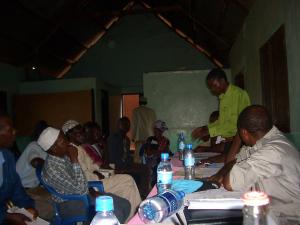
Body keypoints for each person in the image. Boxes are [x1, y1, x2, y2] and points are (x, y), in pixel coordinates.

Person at [38, 127, 131, 223]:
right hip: (69, 204)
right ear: (54, 148)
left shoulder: (63, 156)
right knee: (116, 212)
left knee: (125, 204)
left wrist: (90, 190)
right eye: (63, 141)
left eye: (65, 138)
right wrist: (75, 160)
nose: (68, 142)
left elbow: (81, 181)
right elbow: (81, 190)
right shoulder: (52, 170)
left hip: (83, 195)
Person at [213, 105, 300, 206]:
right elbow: (232, 162)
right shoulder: (261, 142)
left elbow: (229, 183)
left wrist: (239, 136)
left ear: (244, 132)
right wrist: (221, 173)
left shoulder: (272, 150)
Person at [62, 120, 141, 219]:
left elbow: (93, 166)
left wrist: (98, 171)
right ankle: (137, 216)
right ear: (70, 135)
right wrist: (97, 174)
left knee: (127, 187)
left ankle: (131, 218)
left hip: (96, 178)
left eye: (82, 132)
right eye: (79, 133)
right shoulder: (72, 151)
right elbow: (82, 175)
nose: (82, 135)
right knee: (128, 179)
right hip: (92, 185)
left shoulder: (79, 148)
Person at [192, 68, 250, 165]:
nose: (213, 90)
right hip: (228, 143)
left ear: (222, 81)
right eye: (210, 87)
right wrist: (205, 128)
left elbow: (242, 124)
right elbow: (222, 122)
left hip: (238, 144)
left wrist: (209, 131)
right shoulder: (222, 98)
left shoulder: (240, 94)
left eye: (214, 86)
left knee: (232, 171)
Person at [0, 112, 38, 225]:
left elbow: (17, 190)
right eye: (10, 130)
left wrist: (28, 207)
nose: (15, 132)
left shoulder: (7, 157)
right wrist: (7, 216)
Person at [16, 120, 52, 220]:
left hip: (35, 187)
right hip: (23, 190)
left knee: (59, 200)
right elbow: (35, 162)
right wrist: (52, 166)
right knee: (52, 209)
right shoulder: (34, 145)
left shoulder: (47, 150)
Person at [108, 117, 151, 199]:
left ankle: (143, 194)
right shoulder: (113, 138)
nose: (126, 126)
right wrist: (120, 168)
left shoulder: (127, 139)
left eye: (128, 125)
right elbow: (111, 157)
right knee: (142, 170)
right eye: (123, 124)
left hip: (127, 164)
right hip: (117, 166)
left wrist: (131, 162)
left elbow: (126, 155)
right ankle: (141, 194)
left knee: (145, 168)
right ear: (119, 125)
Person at [141, 120, 171, 186]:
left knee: (166, 166)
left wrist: (156, 152)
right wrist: (159, 151)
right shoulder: (150, 139)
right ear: (154, 129)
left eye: (161, 130)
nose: (160, 132)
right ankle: (154, 185)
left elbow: (166, 153)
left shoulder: (165, 140)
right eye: (158, 130)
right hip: (150, 161)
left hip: (161, 161)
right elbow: (148, 153)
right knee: (155, 167)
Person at [132, 96, 156, 163]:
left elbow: (134, 124)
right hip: (150, 136)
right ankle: (148, 170)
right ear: (146, 102)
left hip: (139, 137)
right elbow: (154, 124)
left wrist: (133, 137)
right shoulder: (151, 111)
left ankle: (139, 170)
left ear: (139, 102)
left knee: (138, 157)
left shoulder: (135, 111)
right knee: (149, 155)